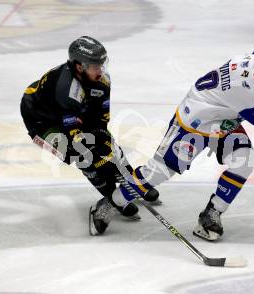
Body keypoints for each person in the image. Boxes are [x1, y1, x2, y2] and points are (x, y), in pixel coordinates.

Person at [105, 36, 254, 241]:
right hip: (195, 122)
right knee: (158, 172)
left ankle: (211, 214)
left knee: (244, 160)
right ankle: (109, 204)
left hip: (223, 119)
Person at [20, 36, 159, 236]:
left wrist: (104, 141)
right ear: (78, 66)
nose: (100, 70)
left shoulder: (101, 80)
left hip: (73, 109)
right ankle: (112, 196)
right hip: (42, 120)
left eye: (102, 64)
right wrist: (100, 160)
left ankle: (130, 179)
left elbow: (100, 121)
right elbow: (75, 137)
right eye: (95, 66)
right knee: (82, 157)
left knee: (105, 141)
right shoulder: (66, 88)